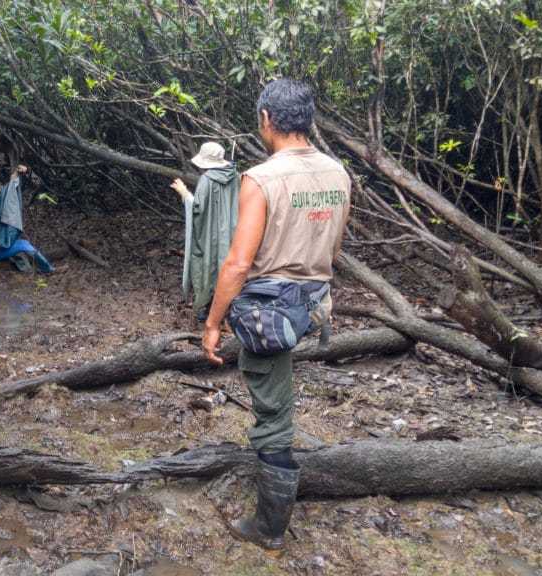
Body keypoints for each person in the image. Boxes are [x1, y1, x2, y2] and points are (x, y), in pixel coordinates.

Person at [200, 79, 350, 556]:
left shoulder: (261, 179)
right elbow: (335, 248)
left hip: (271, 310)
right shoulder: (338, 173)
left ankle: (270, 527)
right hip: (313, 305)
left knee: (272, 414)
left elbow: (239, 264)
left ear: (267, 118)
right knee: (278, 398)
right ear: (308, 119)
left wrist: (212, 322)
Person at [170, 141, 240, 320]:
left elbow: (197, 210)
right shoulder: (236, 176)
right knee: (227, 268)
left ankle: (213, 312)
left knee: (209, 267)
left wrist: (184, 193)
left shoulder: (207, 180)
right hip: (232, 232)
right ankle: (226, 311)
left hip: (211, 235)